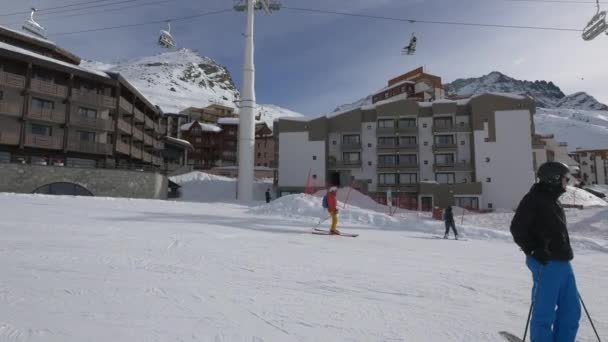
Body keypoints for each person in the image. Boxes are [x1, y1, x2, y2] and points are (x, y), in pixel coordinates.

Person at [510, 161, 580, 342]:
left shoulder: (552, 200)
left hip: (563, 262)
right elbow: (517, 228)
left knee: (571, 311)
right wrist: (533, 250)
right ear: (554, 179)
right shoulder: (533, 199)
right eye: (565, 179)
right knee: (544, 313)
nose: (567, 183)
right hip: (545, 262)